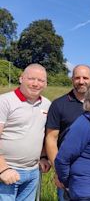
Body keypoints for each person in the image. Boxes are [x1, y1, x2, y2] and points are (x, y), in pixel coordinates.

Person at [0, 64, 51, 200]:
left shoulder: (47, 104)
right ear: (21, 78)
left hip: (33, 173)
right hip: (7, 172)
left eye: (40, 80)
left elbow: (42, 134)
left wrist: (43, 157)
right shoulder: (4, 101)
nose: (35, 84)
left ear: (45, 84)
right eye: (31, 79)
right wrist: (3, 168)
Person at [45, 64, 90, 201]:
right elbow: (51, 138)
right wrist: (59, 171)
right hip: (68, 171)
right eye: (77, 77)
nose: (81, 81)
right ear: (72, 79)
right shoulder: (59, 104)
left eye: (85, 77)